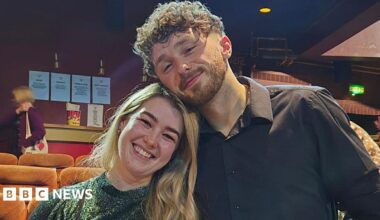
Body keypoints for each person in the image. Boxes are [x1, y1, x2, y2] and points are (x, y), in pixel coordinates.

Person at [133, 1, 380, 219]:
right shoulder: (181, 146)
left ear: (225, 46)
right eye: (167, 66)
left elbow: (371, 203)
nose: (182, 67)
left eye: (188, 49)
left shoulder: (306, 108)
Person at [29, 83, 199, 220]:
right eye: (146, 122)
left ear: (175, 152)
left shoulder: (179, 215)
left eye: (168, 136)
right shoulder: (58, 204)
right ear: (123, 122)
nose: (151, 140)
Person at [0, 86, 45, 156]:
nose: (13, 100)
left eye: (14, 97)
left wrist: (25, 144)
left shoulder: (32, 112)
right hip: (11, 152)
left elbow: (40, 131)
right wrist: (17, 111)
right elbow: (2, 124)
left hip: (24, 153)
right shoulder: (17, 112)